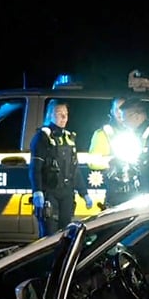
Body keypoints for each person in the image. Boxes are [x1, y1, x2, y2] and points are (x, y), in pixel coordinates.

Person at [29, 99, 92, 237]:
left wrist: (84, 193)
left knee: (66, 235)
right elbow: (35, 168)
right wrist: (37, 191)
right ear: (49, 115)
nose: (64, 117)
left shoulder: (69, 138)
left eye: (66, 114)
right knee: (49, 237)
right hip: (49, 193)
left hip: (67, 194)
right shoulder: (42, 137)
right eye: (59, 113)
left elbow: (75, 169)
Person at [86, 96, 127, 208]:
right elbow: (92, 162)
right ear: (111, 112)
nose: (120, 112)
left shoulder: (136, 130)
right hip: (114, 189)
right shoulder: (102, 134)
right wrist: (111, 161)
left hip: (136, 189)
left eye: (123, 108)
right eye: (117, 109)